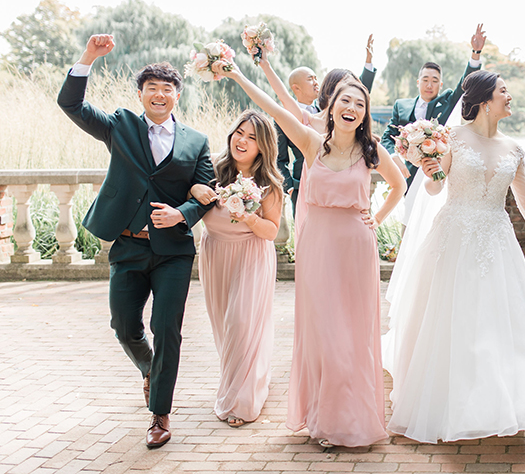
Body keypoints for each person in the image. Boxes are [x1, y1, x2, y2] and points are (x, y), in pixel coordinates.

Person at [213, 59, 405, 447]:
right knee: (323, 334)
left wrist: (376, 217)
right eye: (345, 101)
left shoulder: (370, 151)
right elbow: (273, 106)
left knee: (351, 334)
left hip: (354, 247)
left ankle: (345, 418)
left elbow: (399, 185)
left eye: (360, 104)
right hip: (317, 247)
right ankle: (322, 413)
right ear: (331, 106)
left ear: (364, 114)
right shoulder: (311, 142)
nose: (351, 108)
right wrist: (236, 74)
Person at [383, 70, 525, 443]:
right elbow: (434, 189)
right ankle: (452, 397)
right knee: (454, 317)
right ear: (483, 101)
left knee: (499, 318)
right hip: (454, 236)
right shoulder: (452, 139)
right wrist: (429, 171)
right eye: (504, 91)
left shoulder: (514, 148)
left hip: (497, 239)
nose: (509, 97)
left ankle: (503, 397)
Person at [57, 34, 215, 448]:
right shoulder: (120, 125)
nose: (159, 95)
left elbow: (206, 192)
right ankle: (149, 369)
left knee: (169, 330)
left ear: (177, 96)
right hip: (127, 246)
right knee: (124, 326)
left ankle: (160, 414)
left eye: (167, 89)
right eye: (152, 89)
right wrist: (89, 57)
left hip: (173, 253)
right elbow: (71, 105)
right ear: (141, 94)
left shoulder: (196, 142)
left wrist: (181, 213)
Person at [190, 110, 283, 428]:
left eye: (252, 137)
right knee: (225, 327)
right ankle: (246, 381)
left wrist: (248, 216)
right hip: (215, 253)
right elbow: (188, 194)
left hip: (251, 256)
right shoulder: (211, 169)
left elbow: (272, 231)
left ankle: (240, 401)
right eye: (239, 133)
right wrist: (194, 190)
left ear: (263, 146)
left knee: (242, 324)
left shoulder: (269, 184)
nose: (242, 141)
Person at [277, 34, 377, 219]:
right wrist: (290, 187)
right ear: (295, 88)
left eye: (316, 78)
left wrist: (368, 64)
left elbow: (357, 97)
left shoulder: (333, 115)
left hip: (336, 182)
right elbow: (278, 157)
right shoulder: (293, 116)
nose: (315, 82)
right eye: (310, 79)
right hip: (303, 183)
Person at [381, 25, 484, 187]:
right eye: (425, 80)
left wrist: (475, 54)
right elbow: (387, 137)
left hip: (440, 173)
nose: (429, 85)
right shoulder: (401, 105)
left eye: (435, 81)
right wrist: (394, 157)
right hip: (408, 176)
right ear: (418, 82)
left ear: (440, 84)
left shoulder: (448, 101)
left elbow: (465, 84)